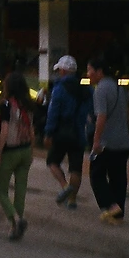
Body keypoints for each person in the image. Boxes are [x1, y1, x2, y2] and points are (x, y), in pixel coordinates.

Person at [45, 55, 92, 210]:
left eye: (59, 70)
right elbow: (91, 112)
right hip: (79, 133)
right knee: (76, 168)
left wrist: (48, 133)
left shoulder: (59, 89)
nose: (59, 73)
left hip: (62, 132)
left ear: (64, 71)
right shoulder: (87, 91)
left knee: (52, 161)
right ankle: (72, 200)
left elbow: (53, 113)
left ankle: (65, 187)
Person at [87, 57, 129, 225]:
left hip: (107, 142)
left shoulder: (100, 90)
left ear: (99, 72)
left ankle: (110, 206)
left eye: (90, 70)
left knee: (96, 175)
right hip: (123, 141)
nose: (88, 74)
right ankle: (118, 214)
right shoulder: (120, 88)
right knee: (118, 178)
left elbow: (101, 117)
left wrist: (96, 140)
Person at [0, 71, 36, 241]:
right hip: (26, 150)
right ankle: (15, 227)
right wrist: (32, 151)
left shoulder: (6, 105)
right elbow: (32, 130)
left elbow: (4, 131)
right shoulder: (29, 105)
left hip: (11, 151)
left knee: (0, 190)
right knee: (20, 190)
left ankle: (16, 220)